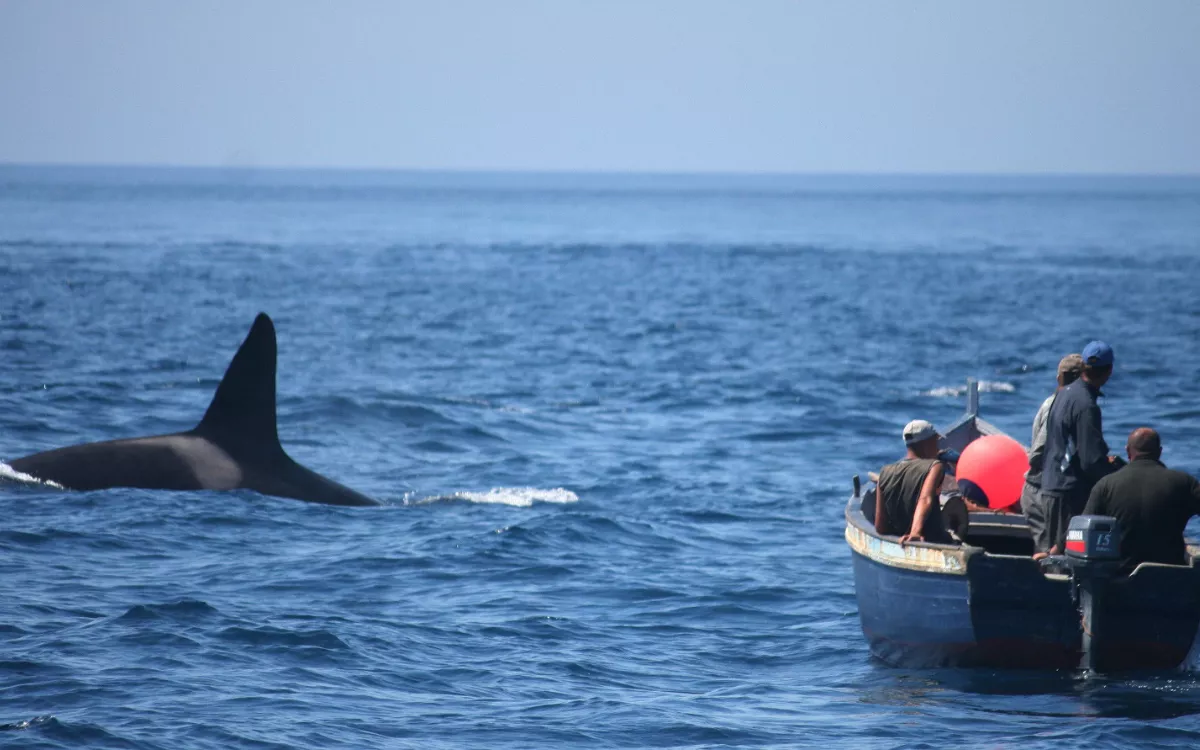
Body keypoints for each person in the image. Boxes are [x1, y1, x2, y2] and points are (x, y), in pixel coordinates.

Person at [1039, 340, 1122, 555]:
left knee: (1055, 555)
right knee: (1070, 558)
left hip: (1050, 487)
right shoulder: (1087, 405)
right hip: (1069, 493)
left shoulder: (1062, 394)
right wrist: (1116, 476)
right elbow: (1090, 462)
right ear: (1109, 371)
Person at [1083, 428, 1200, 571]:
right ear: (1160, 451)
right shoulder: (1185, 482)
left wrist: (1056, 548)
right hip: (1171, 574)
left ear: (1127, 451)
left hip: (1123, 574)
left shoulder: (1105, 485)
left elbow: (1084, 528)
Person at [1021, 353, 1084, 556]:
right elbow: (1038, 454)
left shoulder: (1060, 403)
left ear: (1059, 378)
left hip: (1041, 489)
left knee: (1050, 552)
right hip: (1041, 491)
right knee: (1051, 555)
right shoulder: (1059, 406)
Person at [874, 419, 953, 544]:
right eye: (935, 441)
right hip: (931, 541)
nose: (938, 447)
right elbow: (925, 498)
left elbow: (880, 528)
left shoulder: (884, 472)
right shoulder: (934, 466)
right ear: (926, 443)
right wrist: (915, 532)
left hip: (900, 542)